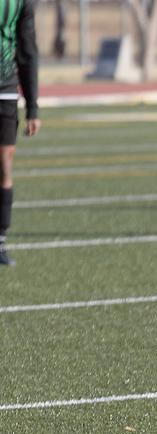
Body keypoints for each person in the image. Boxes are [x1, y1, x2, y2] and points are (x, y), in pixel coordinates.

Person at [0, 0, 40, 267]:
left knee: (4, 164)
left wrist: (33, 106)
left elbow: (27, 51)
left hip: (5, 88)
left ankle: (0, 240)